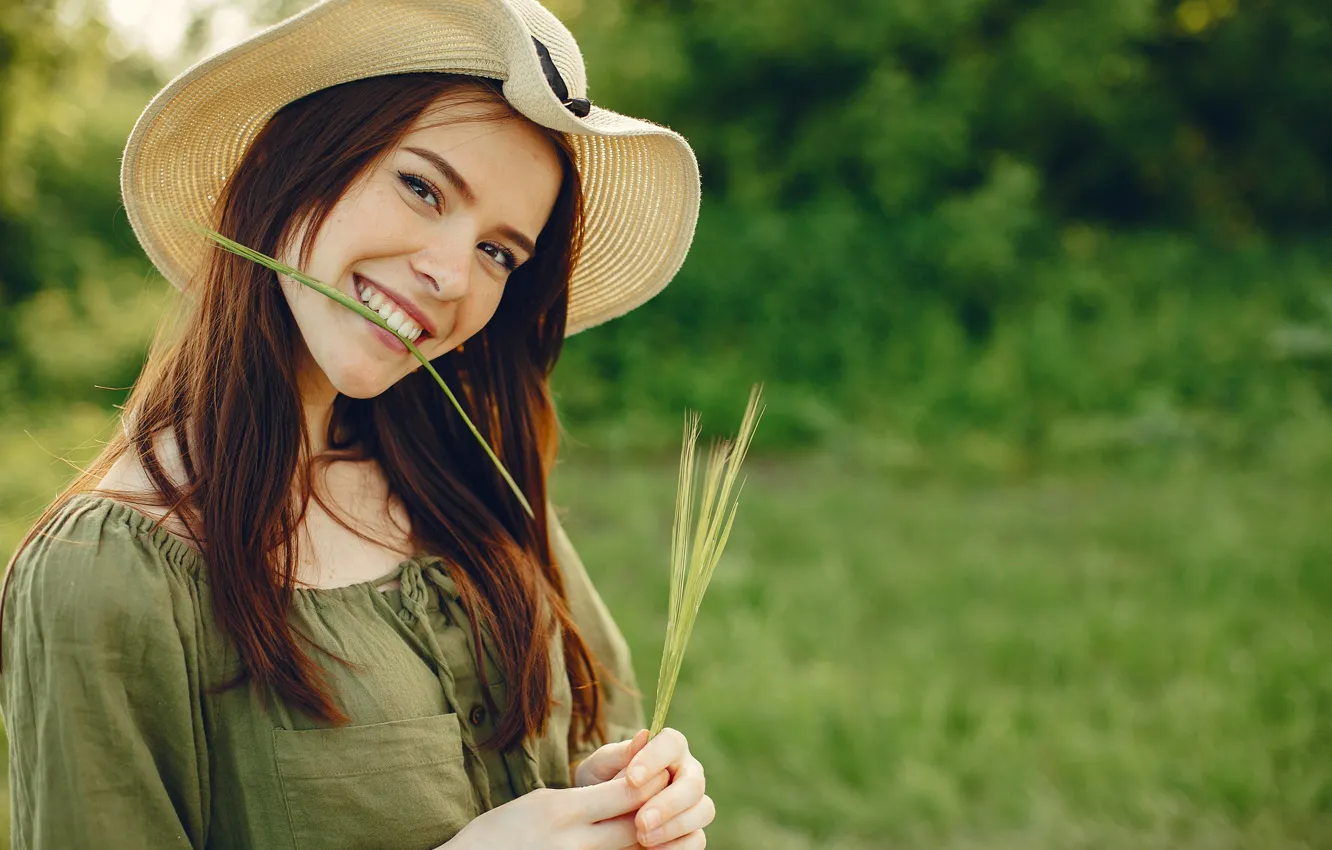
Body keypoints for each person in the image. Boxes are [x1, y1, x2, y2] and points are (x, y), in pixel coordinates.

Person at [0, 0, 713, 847]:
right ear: (295, 167)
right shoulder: (108, 578)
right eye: (421, 187)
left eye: (499, 252)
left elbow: (593, 733)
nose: (451, 275)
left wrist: (616, 799)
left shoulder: (476, 488)